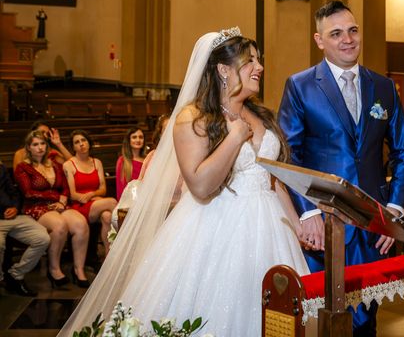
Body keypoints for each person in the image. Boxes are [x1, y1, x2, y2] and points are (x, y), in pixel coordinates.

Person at [59, 28, 309, 336]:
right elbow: (200, 187)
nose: (260, 68)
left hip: (272, 226)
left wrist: (297, 224)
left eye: (258, 61)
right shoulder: (193, 119)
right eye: (250, 62)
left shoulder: (263, 115)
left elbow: (273, 179)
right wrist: (233, 138)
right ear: (222, 69)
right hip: (218, 227)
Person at [278, 0, 404, 335]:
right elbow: (288, 155)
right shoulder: (301, 86)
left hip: (373, 222)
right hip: (323, 226)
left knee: (367, 317)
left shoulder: (382, 87)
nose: (348, 39)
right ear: (319, 40)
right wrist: (308, 213)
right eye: (336, 33)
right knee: (323, 316)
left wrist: (394, 208)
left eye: (352, 30)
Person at [14, 130, 91, 288]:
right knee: (59, 225)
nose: (40, 147)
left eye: (43, 144)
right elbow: (28, 192)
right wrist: (56, 198)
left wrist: (62, 201)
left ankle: (79, 269)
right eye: (35, 144)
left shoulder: (55, 164)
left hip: (59, 205)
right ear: (28, 147)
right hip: (36, 207)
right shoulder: (23, 167)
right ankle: (54, 268)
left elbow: (64, 187)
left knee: (80, 224)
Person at [63, 130, 117, 260]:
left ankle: (108, 255)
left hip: (96, 203)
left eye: (83, 140)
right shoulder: (69, 164)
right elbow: (73, 195)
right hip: (79, 206)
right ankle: (126, 237)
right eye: (77, 142)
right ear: (73, 147)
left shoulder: (96, 162)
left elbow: (103, 189)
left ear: (88, 143)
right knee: (113, 202)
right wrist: (91, 197)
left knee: (107, 216)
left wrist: (93, 194)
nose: (81, 144)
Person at [0, 161, 50, 296]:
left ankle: (16, 275)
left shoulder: (1, 168)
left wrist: (15, 208)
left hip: (12, 215)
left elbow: (14, 192)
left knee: (42, 238)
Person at [115, 127, 147, 200]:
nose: (138, 140)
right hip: (131, 201)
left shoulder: (147, 159)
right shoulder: (123, 161)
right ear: (128, 141)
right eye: (134, 137)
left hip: (147, 198)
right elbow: (120, 189)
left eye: (141, 137)